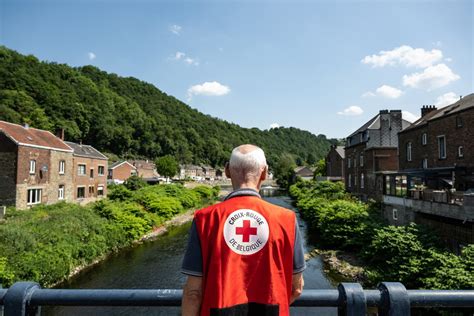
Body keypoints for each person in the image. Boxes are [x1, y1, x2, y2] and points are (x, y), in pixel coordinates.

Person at [181, 144, 305, 316]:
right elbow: (296, 288)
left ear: (227, 171)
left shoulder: (204, 219)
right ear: (265, 172)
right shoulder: (287, 219)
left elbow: (193, 293)